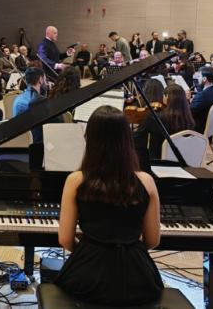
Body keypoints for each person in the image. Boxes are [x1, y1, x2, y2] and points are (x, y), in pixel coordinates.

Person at [55, 106, 164, 306]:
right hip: (137, 278)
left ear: (90, 139)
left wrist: (89, 253)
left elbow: (65, 239)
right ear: (127, 140)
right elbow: (152, 240)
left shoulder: (75, 180)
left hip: (88, 276)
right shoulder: (146, 181)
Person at [134, 84, 194, 163]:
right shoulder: (189, 120)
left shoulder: (155, 118)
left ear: (167, 97)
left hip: (158, 161)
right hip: (181, 161)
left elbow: (137, 137)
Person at [12, 67, 49, 142]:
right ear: (40, 80)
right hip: (37, 142)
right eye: (45, 80)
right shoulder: (39, 101)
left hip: (20, 141)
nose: (46, 83)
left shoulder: (17, 98)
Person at [190, 67, 213, 132]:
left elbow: (189, 112)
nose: (198, 79)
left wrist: (187, 101)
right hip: (212, 128)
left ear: (204, 79)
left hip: (199, 129)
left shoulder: (202, 95)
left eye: (199, 76)